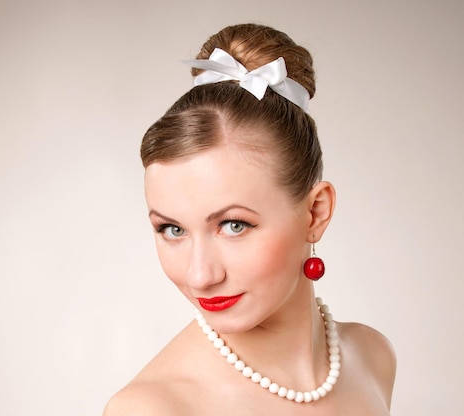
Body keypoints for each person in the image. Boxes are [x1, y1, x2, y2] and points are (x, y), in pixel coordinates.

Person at [104, 23, 396, 415]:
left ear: (315, 213)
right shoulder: (154, 408)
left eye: (233, 225)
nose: (200, 276)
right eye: (172, 229)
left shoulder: (373, 358)